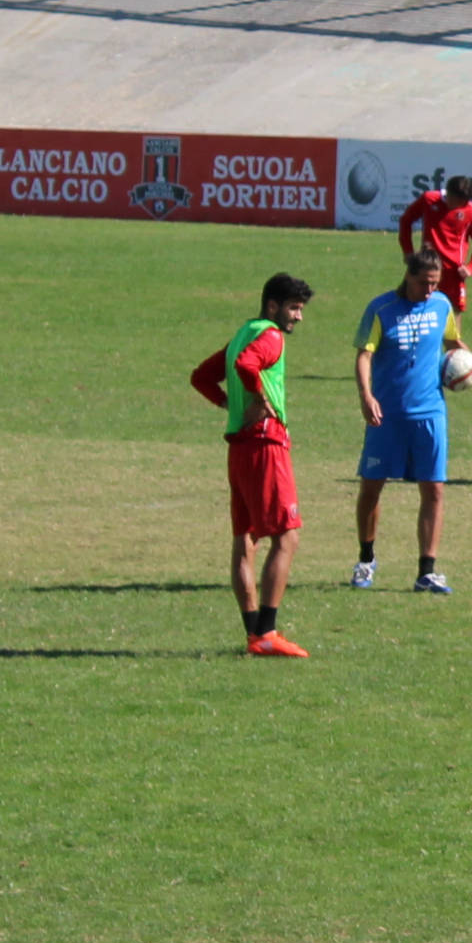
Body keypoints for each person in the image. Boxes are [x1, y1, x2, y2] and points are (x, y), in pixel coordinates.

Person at [351, 248, 472, 596]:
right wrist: (366, 396)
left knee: (434, 489)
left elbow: (452, 341)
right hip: (387, 415)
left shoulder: (442, 305)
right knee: (372, 486)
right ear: (408, 276)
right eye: (422, 283)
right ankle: (366, 560)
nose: (428, 290)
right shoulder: (381, 309)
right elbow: (364, 355)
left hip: (430, 413)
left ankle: (426, 571)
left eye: (434, 283)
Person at [189, 273, 315, 658]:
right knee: (286, 536)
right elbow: (247, 365)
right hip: (265, 443)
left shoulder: (245, 331)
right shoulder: (270, 336)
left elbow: (201, 377)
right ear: (273, 306)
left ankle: (253, 634)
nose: (298, 317)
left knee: (245, 538)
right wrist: (258, 398)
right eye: (293, 308)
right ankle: (267, 632)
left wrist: (230, 404)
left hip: (238, 448)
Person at [398, 175, 472, 319]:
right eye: (457, 200)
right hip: (425, 269)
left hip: (453, 274)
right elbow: (406, 220)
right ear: (448, 192)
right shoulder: (429, 200)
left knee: (452, 322)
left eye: (463, 202)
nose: (459, 204)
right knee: (408, 311)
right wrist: (408, 251)